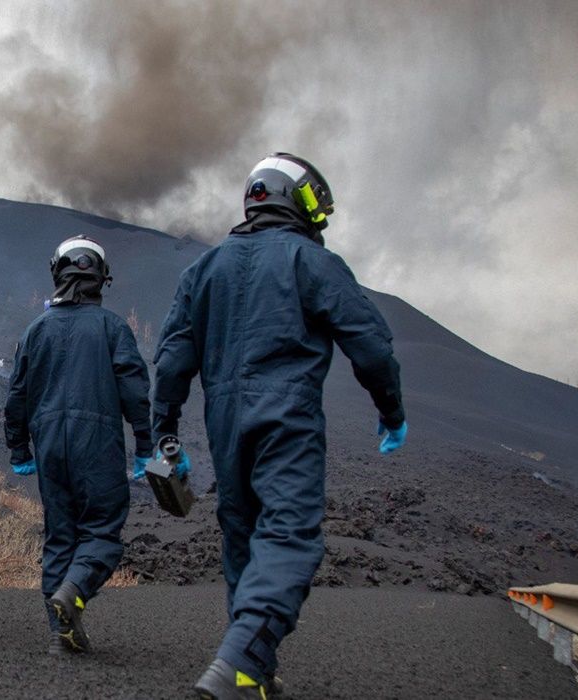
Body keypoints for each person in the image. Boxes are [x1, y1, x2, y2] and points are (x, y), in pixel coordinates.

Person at [152, 154, 407, 699]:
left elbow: (173, 361)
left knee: (243, 536)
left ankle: (254, 671)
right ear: (296, 197)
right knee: (289, 534)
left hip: (224, 421)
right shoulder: (311, 261)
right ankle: (239, 663)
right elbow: (371, 345)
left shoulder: (204, 269)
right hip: (286, 414)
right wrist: (391, 411)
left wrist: (165, 432)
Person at [4, 235, 153, 655]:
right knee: (102, 529)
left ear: (57, 272)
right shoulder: (112, 328)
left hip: (49, 443)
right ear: (101, 278)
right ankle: (75, 593)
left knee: (60, 535)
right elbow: (134, 391)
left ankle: (60, 635)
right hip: (97, 442)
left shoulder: (36, 329)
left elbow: (16, 395)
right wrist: (145, 444)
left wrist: (19, 450)